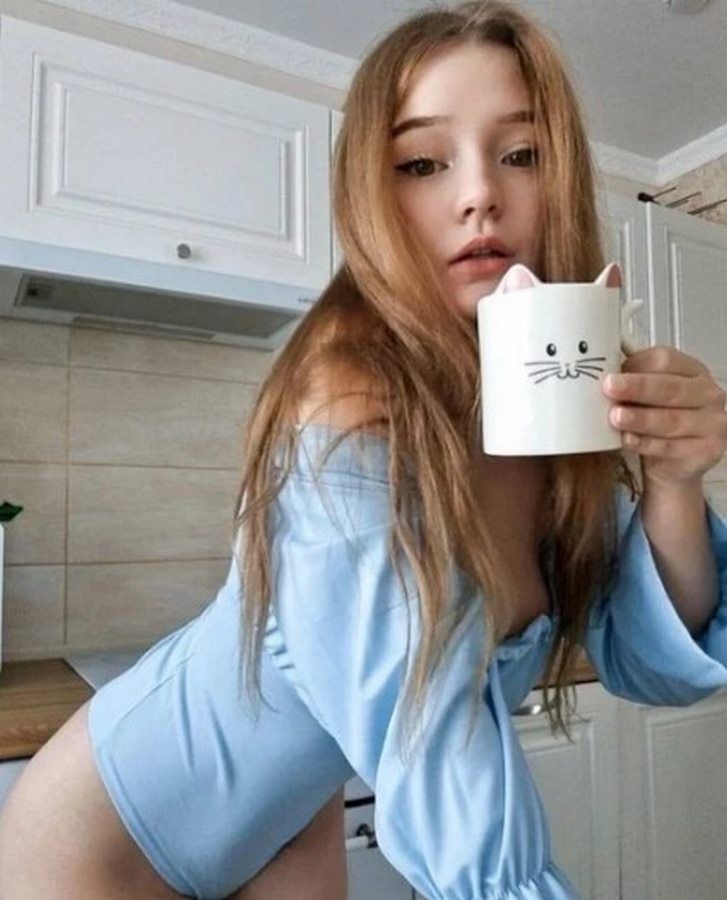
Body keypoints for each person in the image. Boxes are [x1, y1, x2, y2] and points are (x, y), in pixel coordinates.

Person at [1, 0, 726, 897]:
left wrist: (674, 479)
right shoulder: (347, 408)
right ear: (370, 195)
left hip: (288, 817)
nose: (478, 194)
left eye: (521, 154)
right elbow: (440, 766)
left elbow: (653, 663)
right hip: (104, 836)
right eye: (421, 163)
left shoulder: (548, 419)